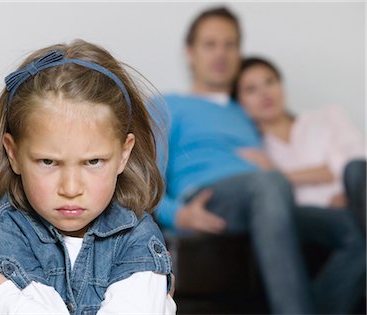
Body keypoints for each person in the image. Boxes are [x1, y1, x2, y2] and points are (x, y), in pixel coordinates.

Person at [156, 6, 365, 314]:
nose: (221, 53)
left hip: (271, 201)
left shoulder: (248, 111)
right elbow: (143, 176)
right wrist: (177, 214)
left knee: (356, 232)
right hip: (213, 196)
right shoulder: (167, 105)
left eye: (230, 45)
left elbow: (295, 152)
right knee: (267, 184)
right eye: (210, 44)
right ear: (190, 53)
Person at [0, 40, 176, 314]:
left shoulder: (137, 236)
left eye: (93, 161)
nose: (71, 188)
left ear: (123, 154)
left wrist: (4, 303)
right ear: (13, 154)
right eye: (48, 161)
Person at [233, 56, 366, 232]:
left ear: (281, 85)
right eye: (251, 89)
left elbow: (353, 163)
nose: (264, 93)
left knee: (356, 170)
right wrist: (321, 173)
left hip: (357, 202)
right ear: (239, 102)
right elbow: (279, 201)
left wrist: (280, 175)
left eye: (270, 82)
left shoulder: (328, 116)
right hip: (315, 224)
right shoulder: (258, 151)